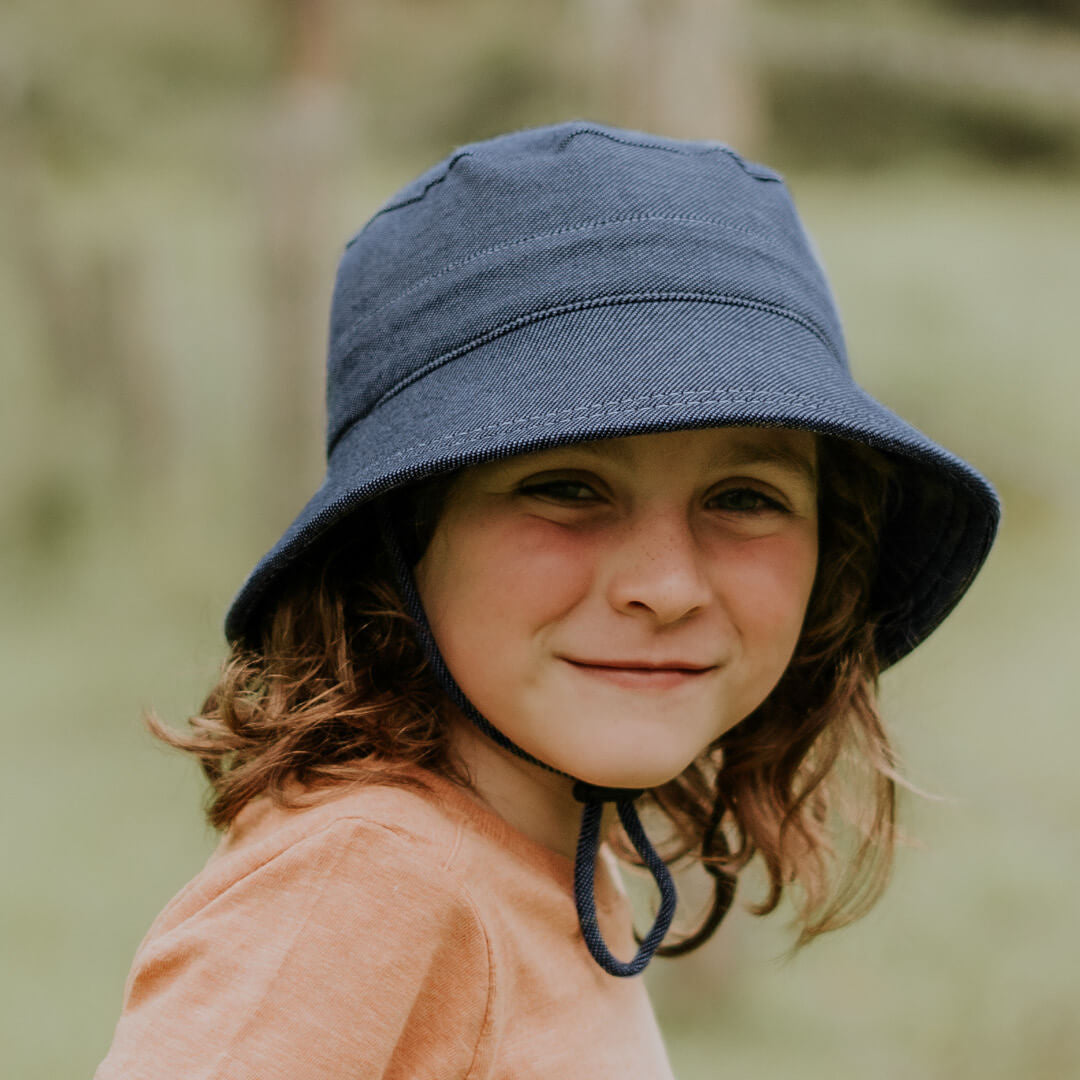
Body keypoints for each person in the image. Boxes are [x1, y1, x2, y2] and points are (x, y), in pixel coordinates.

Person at [94, 120, 1000, 1079]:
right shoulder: (369, 881)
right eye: (567, 488)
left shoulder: (543, 847)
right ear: (399, 535)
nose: (666, 586)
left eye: (744, 499)